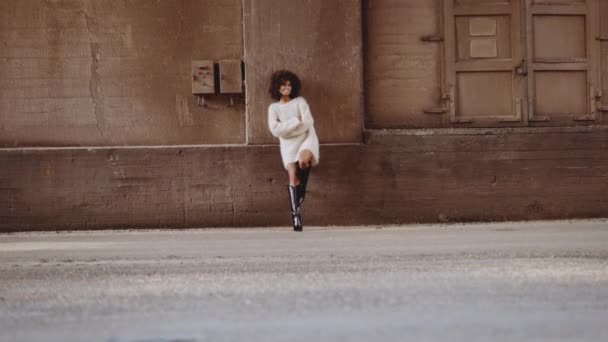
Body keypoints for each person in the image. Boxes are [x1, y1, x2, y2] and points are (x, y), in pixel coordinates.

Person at [267, 70, 320, 232]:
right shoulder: (273, 108)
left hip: (307, 138)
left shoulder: (300, 102)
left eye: (289, 85)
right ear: (277, 87)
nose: (287, 88)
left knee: (304, 162)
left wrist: (289, 130)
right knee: (292, 177)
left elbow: (309, 122)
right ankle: (296, 215)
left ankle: (301, 188)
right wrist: (295, 121)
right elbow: (275, 130)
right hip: (287, 145)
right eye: (283, 85)